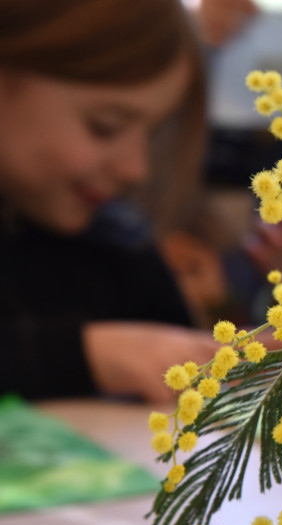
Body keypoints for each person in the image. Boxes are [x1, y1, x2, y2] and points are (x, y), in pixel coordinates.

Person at [0, 0, 221, 402]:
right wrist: (84, 355)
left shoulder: (117, 244)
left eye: (150, 134)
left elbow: (175, 355)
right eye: (105, 127)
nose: (137, 169)